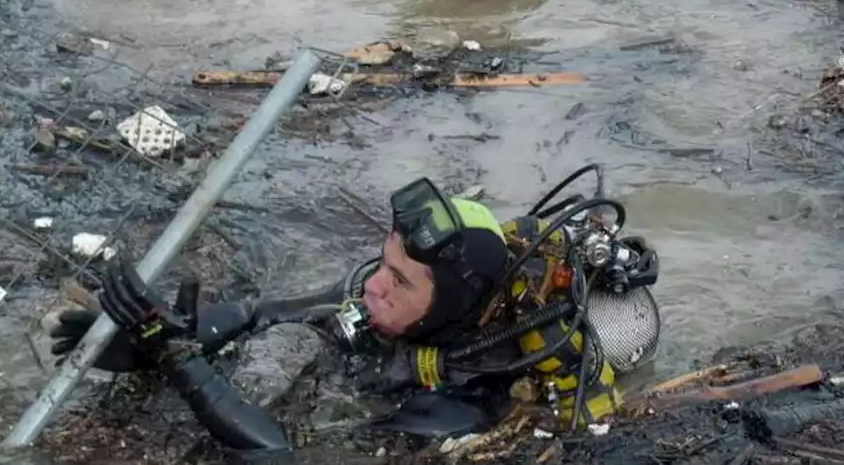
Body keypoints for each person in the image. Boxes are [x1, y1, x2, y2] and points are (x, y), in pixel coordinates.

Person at [48, 168, 663, 457]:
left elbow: (278, 455)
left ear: (448, 303)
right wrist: (147, 339)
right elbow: (259, 313)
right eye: (383, 265)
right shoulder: (384, 300)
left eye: (399, 282)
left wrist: (183, 364)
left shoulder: (461, 403)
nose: (373, 290)